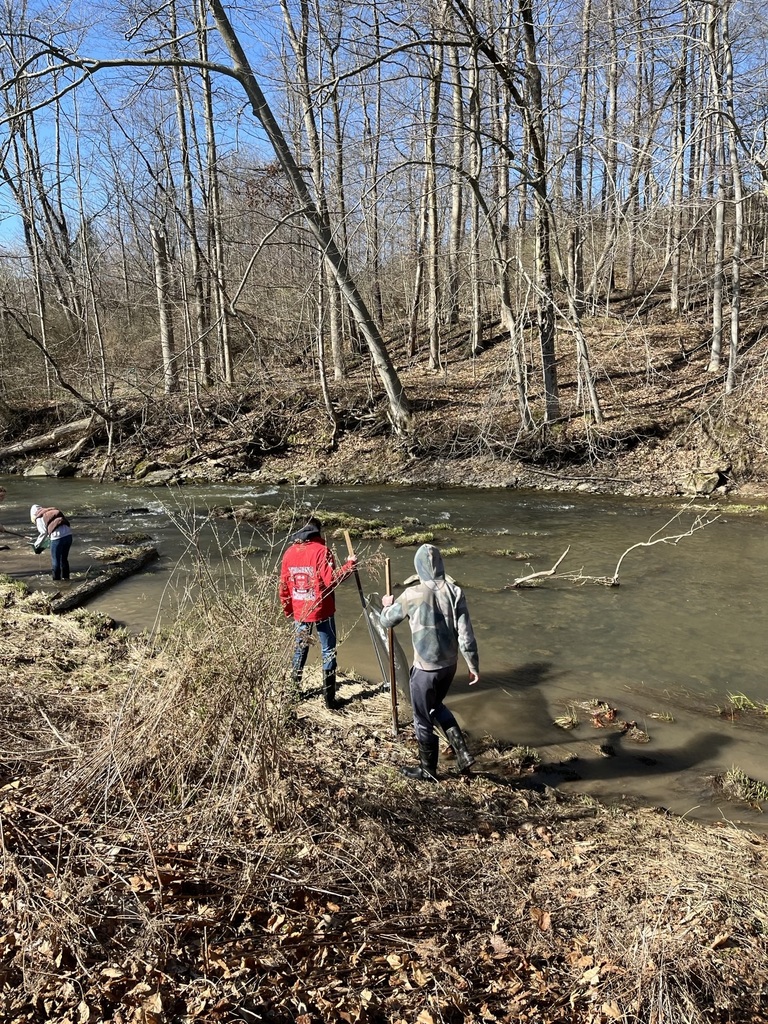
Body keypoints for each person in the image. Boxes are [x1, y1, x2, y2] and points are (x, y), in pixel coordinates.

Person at [380, 544, 479, 782]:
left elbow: (386, 621)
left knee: (422, 717)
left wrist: (386, 604)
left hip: (426, 669)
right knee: (435, 706)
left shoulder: (412, 594)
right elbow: (466, 634)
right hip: (450, 665)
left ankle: (428, 770)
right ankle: (463, 753)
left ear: (418, 567)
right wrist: (473, 664)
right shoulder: (455, 592)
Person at [279, 516, 357, 709]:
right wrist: (349, 566)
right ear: (317, 532)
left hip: (300, 611)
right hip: (323, 609)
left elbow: (283, 584)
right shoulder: (322, 551)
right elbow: (331, 580)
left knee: (299, 650)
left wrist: (287, 608)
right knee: (328, 651)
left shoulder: (289, 552)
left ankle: (294, 693)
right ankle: (329, 700)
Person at [30, 503, 73, 582]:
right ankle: (66, 578)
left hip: (57, 538)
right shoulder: (50, 511)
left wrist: (36, 545)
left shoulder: (39, 517)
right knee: (64, 559)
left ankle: (56, 581)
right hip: (69, 535)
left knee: (55, 560)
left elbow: (43, 533)